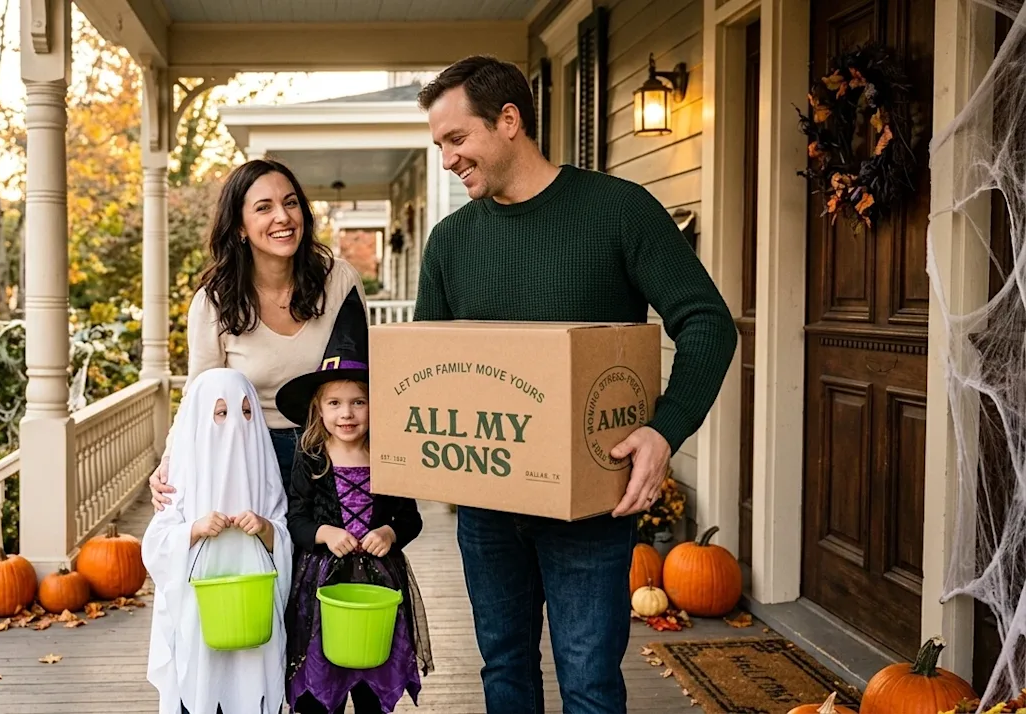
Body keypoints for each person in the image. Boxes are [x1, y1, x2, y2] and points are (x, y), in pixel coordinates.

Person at [413, 56, 738, 714]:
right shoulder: (449, 243)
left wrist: (663, 428)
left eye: (456, 139)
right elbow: (428, 370)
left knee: (589, 681)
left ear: (509, 121)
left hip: (592, 506)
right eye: (439, 145)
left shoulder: (616, 212)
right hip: (486, 510)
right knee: (503, 667)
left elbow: (707, 323)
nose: (447, 159)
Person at [149, 158, 366, 507]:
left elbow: (363, 373)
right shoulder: (214, 301)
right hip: (246, 454)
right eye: (264, 208)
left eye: (290, 202)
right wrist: (170, 459)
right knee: (264, 559)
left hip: (328, 451)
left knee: (326, 558)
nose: (283, 217)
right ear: (239, 227)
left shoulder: (339, 280)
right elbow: (199, 392)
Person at [273, 287, 433, 714]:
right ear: (318, 410)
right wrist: (325, 533)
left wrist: (389, 531)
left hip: (380, 582)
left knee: (371, 680)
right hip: (321, 585)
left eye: (359, 402)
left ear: (375, 405)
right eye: (335, 403)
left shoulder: (389, 456)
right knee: (319, 686)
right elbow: (297, 518)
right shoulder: (311, 458)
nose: (347, 413)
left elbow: (411, 518)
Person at [142, 368, 294, 714]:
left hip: (252, 610)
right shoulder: (180, 473)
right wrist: (194, 529)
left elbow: (284, 535)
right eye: (222, 413)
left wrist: (265, 528)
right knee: (200, 690)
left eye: (246, 412)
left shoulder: (265, 471)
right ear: (201, 417)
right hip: (198, 612)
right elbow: (156, 545)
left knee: (251, 685)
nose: (236, 423)